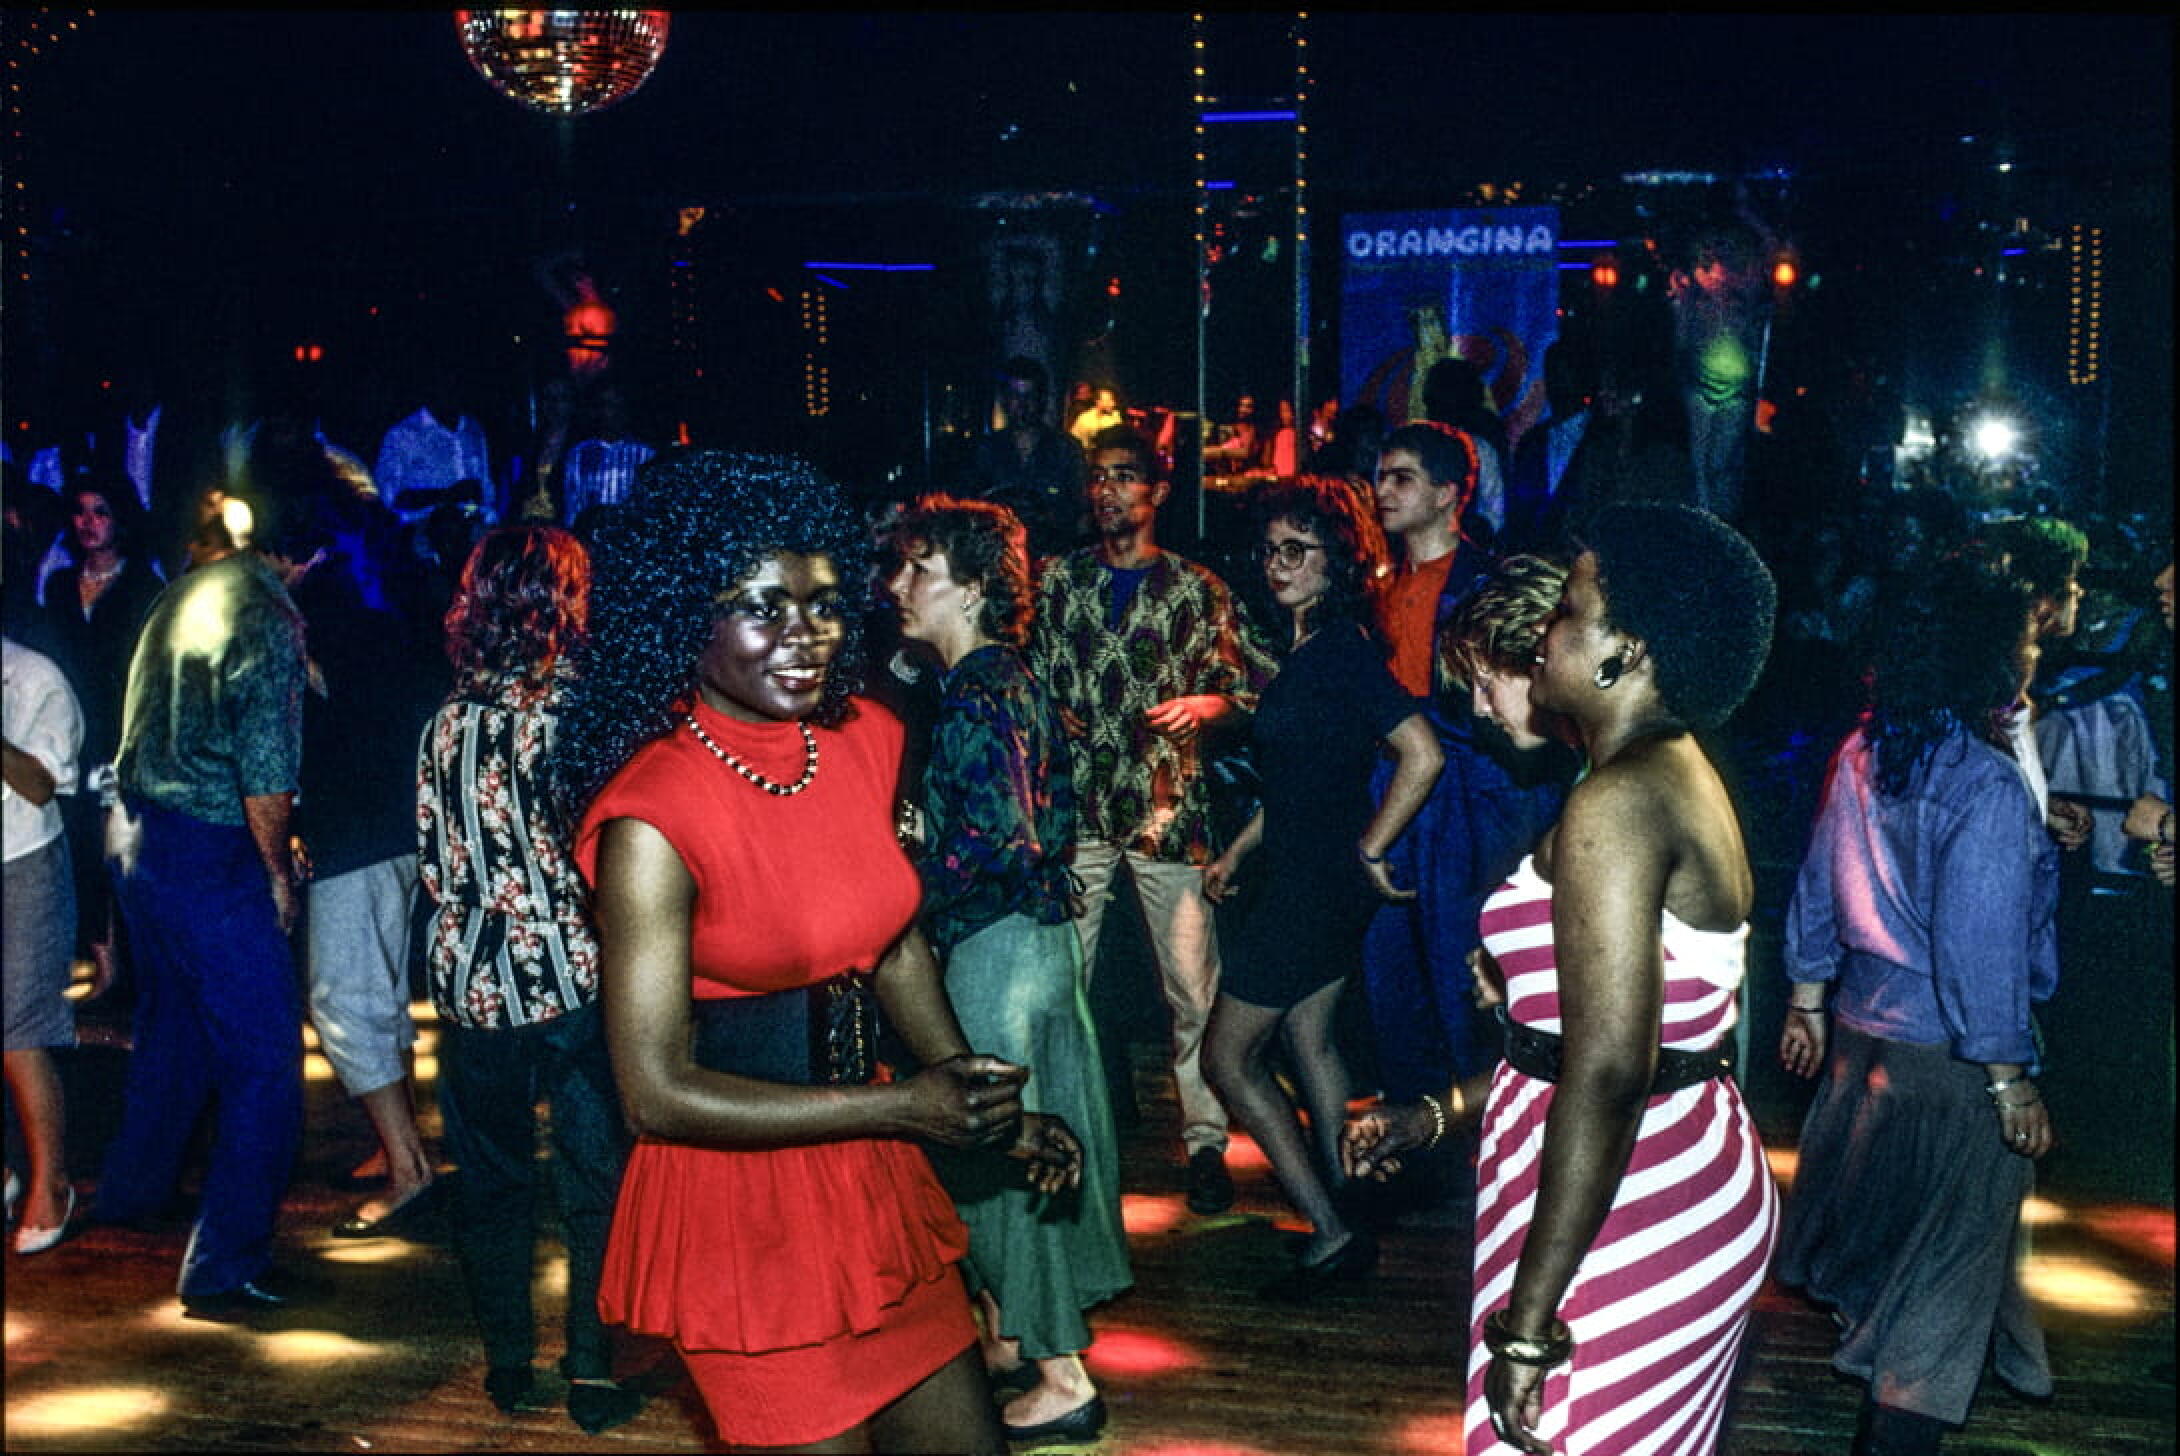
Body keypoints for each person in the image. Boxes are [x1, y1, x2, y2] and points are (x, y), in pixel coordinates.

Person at [560, 449, 1079, 1454]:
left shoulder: (862, 739)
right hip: (741, 1208)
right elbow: (655, 1093)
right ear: (686, 616)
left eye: (825, 605)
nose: (805, 636)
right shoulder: (651, 818)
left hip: (870, 1181)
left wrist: (973, 1100)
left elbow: (890, 943)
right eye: (764, 608)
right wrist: (905, 1107)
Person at [1349, 503, 1780, 1455]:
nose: (1546, 630)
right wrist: (1441, 1114)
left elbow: (1613, 1071)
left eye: (1571, 609)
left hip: (1637, 1198)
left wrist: (1529, 1323)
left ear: (1626, 651)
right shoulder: (1650, 774)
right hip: (1635, 1175)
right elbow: (1582, 1043)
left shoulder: (1620, 801)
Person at [1775, 554, 2060, 1455]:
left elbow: (1817, 882)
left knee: (1895, 1262)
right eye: (2021, 639)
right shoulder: (1982, 784)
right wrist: (2010, 1081)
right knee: (1938, 1298)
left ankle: (1982, 1370)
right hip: (1952, 1068)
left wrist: (1808, 997)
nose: (2032, 652)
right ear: (1987, 657)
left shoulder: (1866, 751)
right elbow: (1981, 951)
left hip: (1862, 1045)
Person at [884, 493, 1130, 1445]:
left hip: (997, 949)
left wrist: (898, 893)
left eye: (921, 568)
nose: (899, 585)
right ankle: (1011, 1336)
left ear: (976, 588)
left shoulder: (976, 692)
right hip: (1034, 941)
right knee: (1017, 1153)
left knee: (992, 1153)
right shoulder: (1005, 678)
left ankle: (1063, 1380)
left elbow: (996, 839)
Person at [414, 525, 640, 1432]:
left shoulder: (446, 723)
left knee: (491, 1176)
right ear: (568, 603)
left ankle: (509, 1361)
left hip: (474, 977)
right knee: (594, 1176)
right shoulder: (587, 720)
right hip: (577, 971)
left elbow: (434, 859)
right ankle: (591, 1368)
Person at [91, 472, 327, 1318]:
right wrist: (275, 876)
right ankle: (224, 1266)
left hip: (136, 836)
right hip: (206, 849)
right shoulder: (270, 617)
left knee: (173, 1029)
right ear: (308, 556)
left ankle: (130, 1193)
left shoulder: (187, 589)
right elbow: (265, 773)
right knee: (265, 1061)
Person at [1199, 477, 1442, 1295]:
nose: (1278, 565)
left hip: (1312, 888)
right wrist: (1238, 853)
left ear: (1337, 562)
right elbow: (1300, 783)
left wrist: (1373, 847)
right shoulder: (1309, 651)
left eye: (1298, 551)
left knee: (1227, 1058)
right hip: (1311, 880)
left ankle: (1330, 1229)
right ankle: (1352, 1200)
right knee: (1311, 1041)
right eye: (1270, 550)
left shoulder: (1339, 651)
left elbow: (1423, 752)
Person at [1029, 425, 1277, 1216]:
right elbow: (1020, 673)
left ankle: (1204, 1145)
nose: (1107, 490)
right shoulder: (1058, 580)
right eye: (1098, 476)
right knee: (1061, 980)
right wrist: (1047, 711)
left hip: (1167, 808)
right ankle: (1061, 1138)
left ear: (1157, 491)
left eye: (1124, 476)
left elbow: (1250, 686)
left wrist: (1207, 706)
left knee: (1193, 992)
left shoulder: (1195, 589)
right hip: (1078, 806)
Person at [1360, 424, 1567, 1171]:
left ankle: (1489, 1146)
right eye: (1380, 475)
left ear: (1449, 494)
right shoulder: (1375, 585)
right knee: (1392, 974)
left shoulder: (1486, 584)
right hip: (1397, 792)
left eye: (1402, 477)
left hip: (1474, 798)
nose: (1383, 491)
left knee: (1471, 971)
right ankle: (1415, 1141)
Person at [295, 534, 446, 1240]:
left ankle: (408, 1169)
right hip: (397, 828)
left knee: (346, 1003)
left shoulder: (318, 618)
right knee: (379, 997)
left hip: (354, 837)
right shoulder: (384, 608)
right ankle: (398, 1148)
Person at [39, 477, 164, 1000]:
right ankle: (104, 963)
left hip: (123, 734)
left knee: (127, 848)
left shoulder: (143, 586)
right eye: (81, 512)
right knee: (85, 849)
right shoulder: (59, 585)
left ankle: (145, 968)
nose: (89, 523)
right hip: (71, 730)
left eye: (101, 512)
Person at [4, 632, 85, 1254]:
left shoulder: (35, 676)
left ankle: (51, 1184)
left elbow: (39, 784)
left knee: (20, 1029)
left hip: (25, 863)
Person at [966, 356, 1086, 563]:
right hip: (1000, 559)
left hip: (1053, 560)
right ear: (1004, 400)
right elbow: (971, 502)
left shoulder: (1066, 449)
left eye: (1030, 396)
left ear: (1042, 400)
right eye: (1015, 396)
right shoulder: (986, 449)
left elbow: (1081, 510)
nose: (1022, 404)